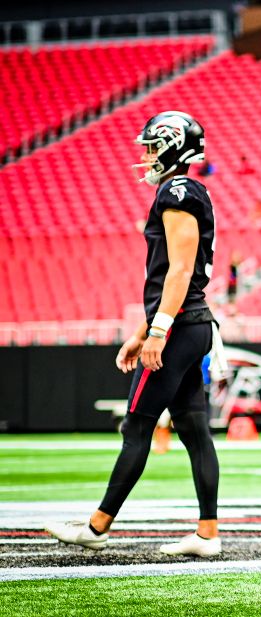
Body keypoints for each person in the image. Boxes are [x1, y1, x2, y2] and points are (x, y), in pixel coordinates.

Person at [45, 111, 224, 558]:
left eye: (151, 146)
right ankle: (207, 535)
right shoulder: (186, 190)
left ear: (170, 146)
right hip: (191, 323)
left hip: (181, 326)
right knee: (193, 428)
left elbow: (180, 270)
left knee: (137, 425)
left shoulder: (177, 191)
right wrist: (142, 328)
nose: (145, 156)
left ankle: (97, 526)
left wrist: (158, 331)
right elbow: (175, 276)